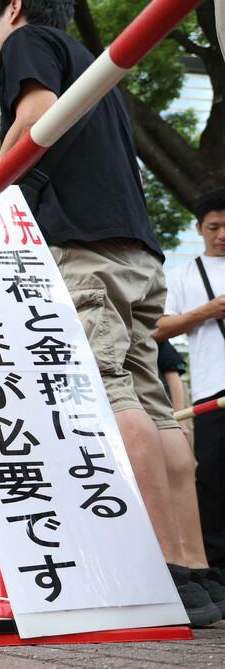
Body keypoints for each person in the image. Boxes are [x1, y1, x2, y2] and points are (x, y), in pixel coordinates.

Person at [0, 0, 224, 625]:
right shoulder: (95, 66)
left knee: (111, 391)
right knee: (152, 404)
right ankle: (195, 571)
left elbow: (35, 119)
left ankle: (151, 569)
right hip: (138, 254)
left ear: (11, 7)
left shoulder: (27, 41)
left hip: (83, 249)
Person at [156, 187, 225, 571]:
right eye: (213, 227)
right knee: (213, 480)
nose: (221, 235)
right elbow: (158, 329)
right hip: (214, 391)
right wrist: (207, 311)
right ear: (198, 228)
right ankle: (215, 566)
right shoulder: (182, 274)